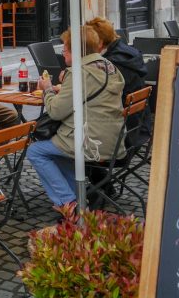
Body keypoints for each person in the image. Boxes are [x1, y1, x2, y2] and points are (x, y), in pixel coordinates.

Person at [25, 26, 125, 213]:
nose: (63, 54)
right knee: (58, 153)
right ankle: (79, 200)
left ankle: (68, 204)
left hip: (90, 141)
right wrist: (64, 89)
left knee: (35, 151)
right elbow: (90, 96)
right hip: (112, 138)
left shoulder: (78, 72)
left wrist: (46, 88)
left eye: (65, 49)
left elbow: (55, 111)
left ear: (77, 51)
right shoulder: (109, 66)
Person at [86, 17, 151, 147]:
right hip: (139, 125)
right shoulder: (129, 53)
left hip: (121, 134)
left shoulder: (110, 64)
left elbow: (93, 95)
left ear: (99, 41)